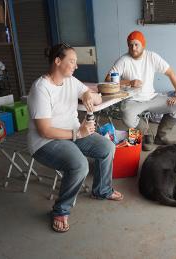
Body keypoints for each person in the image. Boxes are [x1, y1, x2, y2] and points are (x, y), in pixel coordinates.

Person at [27, 43, 124, 233]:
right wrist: (77, 133)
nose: (76, 66)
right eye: (72, 61)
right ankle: (60, 211)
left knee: (106, 147)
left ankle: (102, 190)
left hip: (74, 133)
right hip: (46, 142)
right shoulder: (41, 88)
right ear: (57, 61)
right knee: (80, 165)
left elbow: (92, 94)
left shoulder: (70, 80)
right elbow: (45, 130)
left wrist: (87, 94)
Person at [106, 31, 176, 151]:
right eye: (130, 45)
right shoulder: (123, 60)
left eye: (136, 44)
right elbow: (108, 80)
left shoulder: (152, 57)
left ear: (143, 45)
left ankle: (161, 137)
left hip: (152, 98)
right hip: (132, 100)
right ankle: (145, 132)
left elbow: (171, 73)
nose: (133, 48)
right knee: (126, 115)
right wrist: (129, 82)